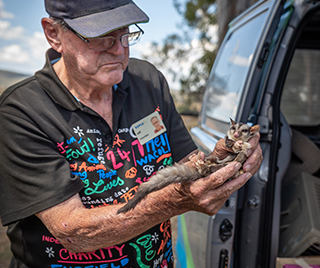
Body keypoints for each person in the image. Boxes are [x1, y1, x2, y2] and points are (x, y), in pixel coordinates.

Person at [0, 0, 263, 267]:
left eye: (125, 33)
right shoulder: (22, 111)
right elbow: (73, 232)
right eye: (101, 37)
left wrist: (224, 162)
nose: (118, 49)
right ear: (54, 34)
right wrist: (173, 202)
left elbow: (188, 162)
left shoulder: (147, 80)